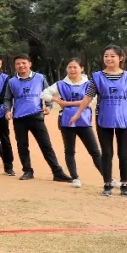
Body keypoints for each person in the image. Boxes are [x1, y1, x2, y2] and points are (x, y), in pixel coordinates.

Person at [76, 45, 127, 197]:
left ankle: (125, 185)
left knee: (124, 153)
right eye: (106, 56)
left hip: (125, 118)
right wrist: (78, 113)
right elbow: (88, 96)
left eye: (112, 56)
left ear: (120, 58)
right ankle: (107, 183)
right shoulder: (96, 76)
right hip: (104, 118)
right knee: (107, 152)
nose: (108, 59)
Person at [4, 55, 70, 182]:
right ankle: (27, 171)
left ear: (30, 63)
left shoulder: (40, 78)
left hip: (37, 117)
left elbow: (47, 93)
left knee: (46, 145)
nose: (21, 66)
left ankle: (57, 172)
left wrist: (49, 106)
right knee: (22, 146)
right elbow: (7, 99)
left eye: (24, 63)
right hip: (19, 119)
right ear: (15, 66)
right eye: (18, 63)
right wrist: (7, 111)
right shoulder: (11, 82)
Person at [42, 58, 102, 189]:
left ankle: (108, 177)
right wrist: (56, 100)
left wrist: (67, 103)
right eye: (70, 67)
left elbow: (91, 100)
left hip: (84, 121)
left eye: (75, 67)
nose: (72, 70)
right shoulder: (61, 84)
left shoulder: (89, 84)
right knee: (69, 151)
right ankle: (75, 177)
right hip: (66, 121)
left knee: (94, 151)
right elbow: (44, 94)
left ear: (82, 68)